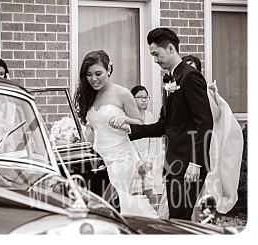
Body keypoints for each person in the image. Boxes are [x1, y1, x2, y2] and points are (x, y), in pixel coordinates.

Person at [111, 28, 214, 220]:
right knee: (176, 219)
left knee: (180, 220)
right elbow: (164, 125)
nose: (155, 60)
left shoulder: (190, 77)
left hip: (189, 166)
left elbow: (205, 123)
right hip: (174, 164)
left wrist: (196, 163)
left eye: (156, 54)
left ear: (170, 48)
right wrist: (129, 129)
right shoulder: (170, 79)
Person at [75, 50, 157, 218]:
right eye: (89, 75)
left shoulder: (122, 93)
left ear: (108, 69)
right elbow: (92, 130)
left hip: (121, 157)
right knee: (95, 201)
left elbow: (141, 124)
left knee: (110, 202)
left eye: (98, 73)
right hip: (98, 158)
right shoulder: (89, 95)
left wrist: (125, 120)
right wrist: (83, 148)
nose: (93, 79)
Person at [183, 55, 243, 217]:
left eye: (192, 69)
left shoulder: (204, 91)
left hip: (204, 148)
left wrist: (209, 95)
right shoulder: (180, 91)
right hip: (184, 148)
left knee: (202, 195)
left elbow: (215, 115)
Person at [130, 86, 168, 218]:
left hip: (147, 158)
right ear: (132, 99)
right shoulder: (129, 117)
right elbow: (129, 142)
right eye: (140, 97)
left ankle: (152, 219)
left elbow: (152, 141)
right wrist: (138, 162)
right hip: (133, 159)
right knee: (135, 194)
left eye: (146, 97)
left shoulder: (149, 116)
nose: (144, 100)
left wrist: (149, 160)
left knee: (150, 193)